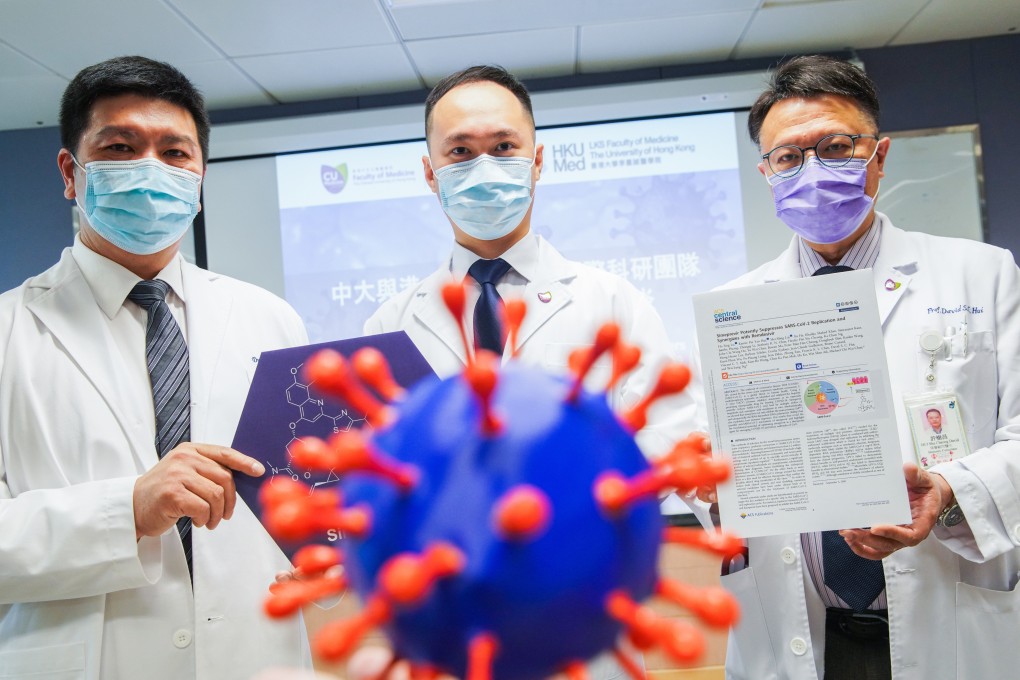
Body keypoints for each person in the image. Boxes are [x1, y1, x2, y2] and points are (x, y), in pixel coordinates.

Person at [362, 65, 694, 678]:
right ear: (430, 173)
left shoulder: (611, 302)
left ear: (537, 161)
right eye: (460, 152)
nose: (484, 166)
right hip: (445, 616)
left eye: (503, 147)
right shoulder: (391, 322)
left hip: (574, 603)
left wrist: (561, 503)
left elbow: (667, 443)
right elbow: (374, 471)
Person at [697, 55, 1020, 680]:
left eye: (836, 147)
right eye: (788, 158)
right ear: (767, 173)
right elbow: (716, 469)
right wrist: (712, 484)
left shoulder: (982, 274)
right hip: (801, 633)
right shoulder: (734, 310)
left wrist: (948, 491)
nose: (812, 171)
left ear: (879, 154)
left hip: (950, 618)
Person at [0, 56, 311, 679]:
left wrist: (334, 551)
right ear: (70, 171)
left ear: (200, 176)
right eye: (120, 147)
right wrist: (128, 509)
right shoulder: (9, 330)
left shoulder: (270, 318)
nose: (151, 169)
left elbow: (304, 495)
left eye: (175, 153)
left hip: (255, 658)